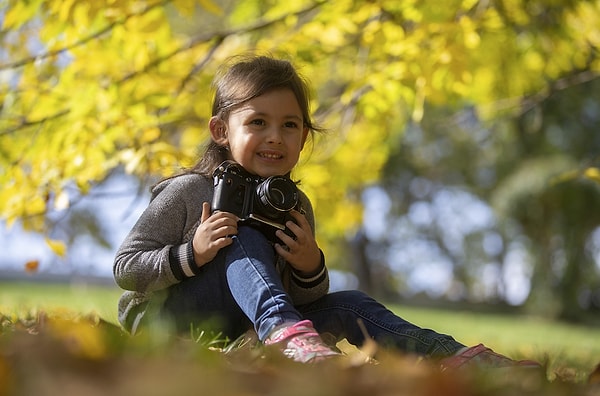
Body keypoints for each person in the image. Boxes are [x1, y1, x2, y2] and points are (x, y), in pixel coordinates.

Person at [113, 54, 539, 369]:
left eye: (290, 125)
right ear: (222, 131)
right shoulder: (191, 191)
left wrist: (308, 265)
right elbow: (125, 269)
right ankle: (285, 337)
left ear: (303, 137)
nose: (275, 137)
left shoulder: (293, 205)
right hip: (165, 321)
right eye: (257, 122)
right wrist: (193, 254)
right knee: (238, 236)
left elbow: (302, 300)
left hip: (248, 329)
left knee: (350, 302)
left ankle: (456, 356)